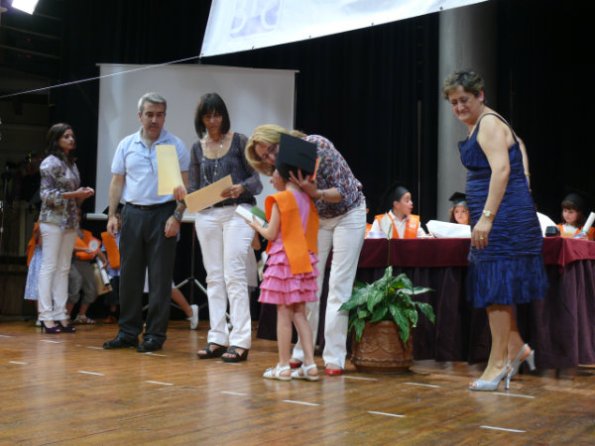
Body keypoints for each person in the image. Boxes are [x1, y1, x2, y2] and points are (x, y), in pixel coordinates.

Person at [443, 70, 548, 391]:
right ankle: (517, 350)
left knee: (495, 292)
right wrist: (525, 180)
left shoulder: (487, 124)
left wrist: (487, 217)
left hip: (501, 219)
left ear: (480, 96)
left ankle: (498, 364)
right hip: (507, 213)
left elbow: (501, 170)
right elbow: (520, 145)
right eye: (453, 102)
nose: (459, 107)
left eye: (464, 100)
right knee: (498, 290)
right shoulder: (490, 122)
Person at [246, 124, 366, 376]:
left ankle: (334, 357)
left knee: (339, 287)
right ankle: (303, 354)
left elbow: (344, 193)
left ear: (280, 139)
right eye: (264, 157)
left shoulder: (317, 146)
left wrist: (317, 192)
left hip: (348, 213)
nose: (270, 158)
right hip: (318, 220)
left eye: (270, 150)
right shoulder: (285, 170)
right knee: (308, 287)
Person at [103, 92, 189, 352]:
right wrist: (112, 215)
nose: (154, 119)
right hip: (132, 214)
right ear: (139, 116)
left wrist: (177, 216)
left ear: (164, 116)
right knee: (129, 277)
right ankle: (128, 333)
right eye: (149, 114)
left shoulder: (176, 145)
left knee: (161, 279)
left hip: (164, 215)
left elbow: (186, 186)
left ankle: (154, 335)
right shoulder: (126, 144)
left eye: (159, 114)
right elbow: (117, 181)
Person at [187, 92, 262, 362]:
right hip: (207, 215)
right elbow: (194, 189)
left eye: (217, 114)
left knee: (234, 274)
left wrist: (241, 187)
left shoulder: (240, 141)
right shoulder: (197, 147)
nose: (213, 120)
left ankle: (241, 340)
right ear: (201, 118)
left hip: (238, 212)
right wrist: (184, 196)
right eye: (208, 115)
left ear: (224, 115)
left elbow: (257, 181)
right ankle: (217, 337)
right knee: (213, 277)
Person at [246, 134, 320, 381]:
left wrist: (253, 222)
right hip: (302, 259)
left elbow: (271, 232)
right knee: (300, 313)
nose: (270, 177)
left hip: (284, 260)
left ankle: (283, 365)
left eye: (273, 173)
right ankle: (310, 365)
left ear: (283, 174)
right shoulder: (306, 198)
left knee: (284, 314)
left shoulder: (280, 199)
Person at [38, 123, 95, 334]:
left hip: (70, 221)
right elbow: (46, 196)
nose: (71, 139)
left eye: (72, 136)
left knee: (63, 268)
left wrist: (81, 196)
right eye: (66, 136)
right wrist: (75, 194)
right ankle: (45, 316)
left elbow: (72, 195)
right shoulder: (48, 163)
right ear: (56, 139)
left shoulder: (71, 163)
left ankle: (61, 314)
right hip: (52, 220)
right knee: (49, 267)